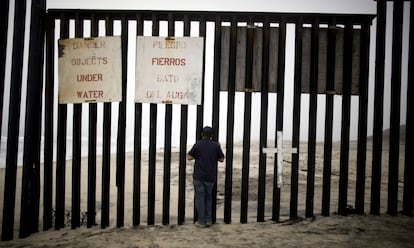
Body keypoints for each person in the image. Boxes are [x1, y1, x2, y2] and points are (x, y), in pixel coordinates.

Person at [187, 126, 225, 228]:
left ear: (202, 134)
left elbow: (189, 157)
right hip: (210, 177)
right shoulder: (215, 145)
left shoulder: (198, 144)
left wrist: (198, 155)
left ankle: (201, 222)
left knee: (200, 199)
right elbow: (221, 159)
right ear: (211, 135)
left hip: (199, 176)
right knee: (209, 198)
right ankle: (208, 220)